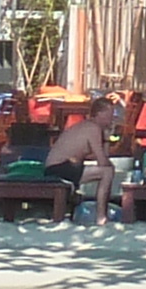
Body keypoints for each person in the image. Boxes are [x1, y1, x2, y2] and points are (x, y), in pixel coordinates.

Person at [46, 96, 118, 226]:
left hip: (64, 166)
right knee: (107, 172)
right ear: (100, 114)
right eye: (110, 114)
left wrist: (107, 137)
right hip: (59, 167)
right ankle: (101, 217)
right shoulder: (92, 128)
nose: (112, 118)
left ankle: (100, 214)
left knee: (108, 171)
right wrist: (109, 165)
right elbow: (102, 161)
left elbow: (103, 157)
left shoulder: (92, 128)